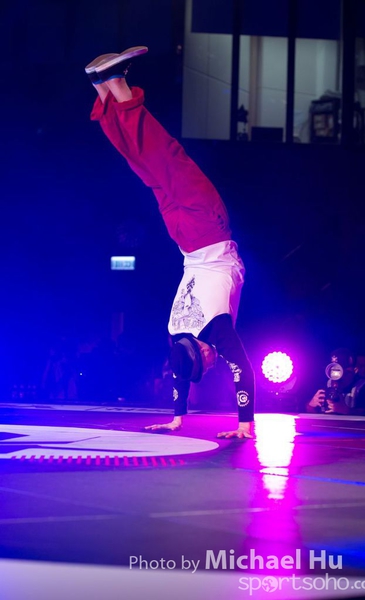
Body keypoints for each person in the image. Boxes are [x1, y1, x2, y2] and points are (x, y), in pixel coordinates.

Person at [85, 47, 255, 438]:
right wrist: (176, 418)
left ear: (205, 353)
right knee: (146, 168)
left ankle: (117, 83)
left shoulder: (215, 330)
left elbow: (241, 369)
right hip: (183, 239)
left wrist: (245, 425)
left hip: (207, 231)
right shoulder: (175, 331)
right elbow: (179, 373)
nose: (213, 363)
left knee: (166, 157)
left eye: (208, 363)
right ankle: (104, 90)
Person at [306, 348, 365, 416]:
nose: (338, 374)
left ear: (354, 370)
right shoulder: (324, 384)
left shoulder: (364, 386)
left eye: (341, 370)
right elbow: (310, 413)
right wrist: (311, 404)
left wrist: (347, 410)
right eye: (334, 369)